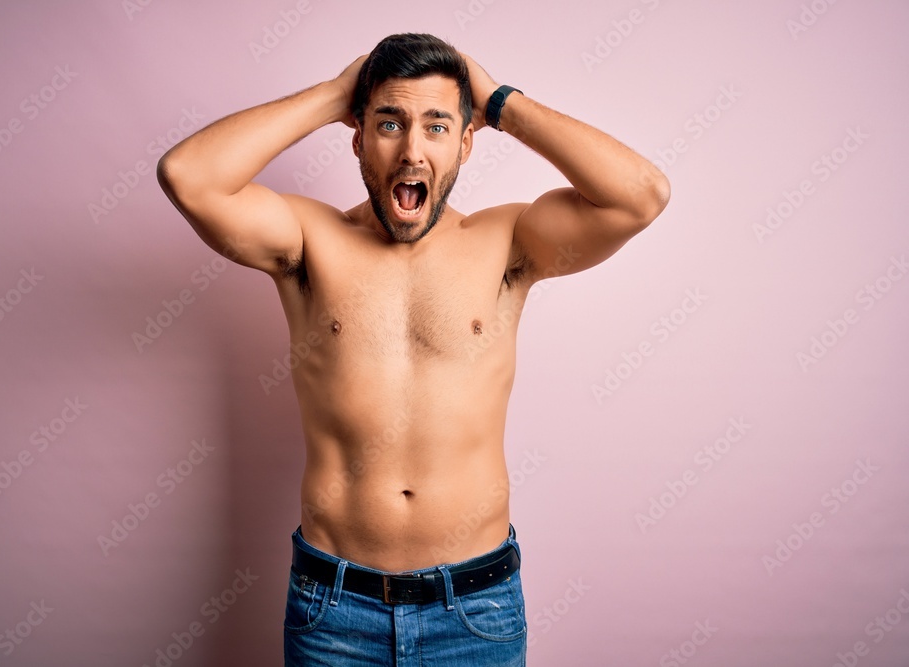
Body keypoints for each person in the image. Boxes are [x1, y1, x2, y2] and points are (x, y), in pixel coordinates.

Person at [157, 32, 669, 666]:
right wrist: (331, 95)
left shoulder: (507, 243)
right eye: (390, 123)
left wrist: (500, 99)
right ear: (358, 137)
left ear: (465, 142)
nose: (411, 150)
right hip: (333, 610)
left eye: (435, 126)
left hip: (475, 609)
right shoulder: (309, 242)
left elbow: (641, 194)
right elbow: (187, 176)